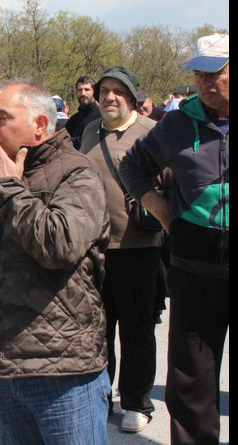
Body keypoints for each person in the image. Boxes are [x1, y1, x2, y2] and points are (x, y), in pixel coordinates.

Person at [0, 80, 110, 444]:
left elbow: (59, 245)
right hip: (4, 365)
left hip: (61, 372)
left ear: (40, 125)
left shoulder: (75, 173)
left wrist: (10, 189)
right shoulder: (3, 172)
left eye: (1, 118)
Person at [120, 33, 229, 445]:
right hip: (193, 267)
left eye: (214, 72)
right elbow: (133, 166)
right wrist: (161, 210)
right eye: (197, 73)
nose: (204, 81)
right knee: (191, 380)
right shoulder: (178, 124)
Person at [79, 66, 165, 433]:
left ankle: (136, 402)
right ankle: (101, 397)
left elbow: (173, 182)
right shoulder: (88, 130)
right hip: (94, 247)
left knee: (136, 329)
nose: (109, 97)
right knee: (98, 330)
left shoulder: (152, 134)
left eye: (118, 91)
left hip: (139, 247)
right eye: (104, 91)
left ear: (132, 96)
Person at [65, 75, 100, 150]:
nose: (83, 93)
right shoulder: (72, 121)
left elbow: (93, 141)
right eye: (80, 90)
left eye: (87, 90)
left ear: (94, 92)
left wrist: (71, 140)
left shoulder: (101, 117)